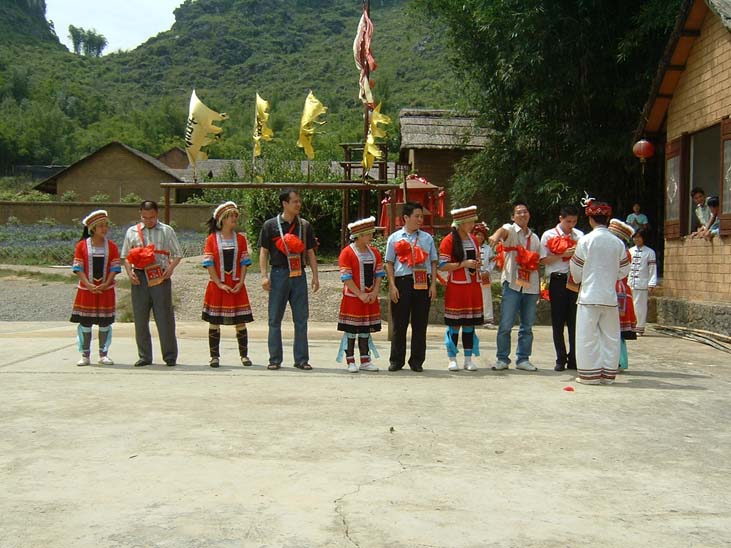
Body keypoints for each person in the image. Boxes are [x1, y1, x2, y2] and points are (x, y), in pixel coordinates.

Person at [569, 198, 631, 385]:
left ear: (590, 219)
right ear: (608, 218)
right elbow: (624, 270)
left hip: (589, 296)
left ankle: (590, 375)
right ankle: (608, 374)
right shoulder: (617, 243)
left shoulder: (585, 241)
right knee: (610, 336)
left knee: (587, 336)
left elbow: (576, 272)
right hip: (609, 297)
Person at [258, 189, 319, 370]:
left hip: (299, 274)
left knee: (301, 319)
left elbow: (310, 252)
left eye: (299, 201)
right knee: (274, 319)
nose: (298, 204)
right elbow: (264, 252)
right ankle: (274, 359)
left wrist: (315, 276)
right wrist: (264, 276)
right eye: (295, 201)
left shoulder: (304, 226)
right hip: (279, 274)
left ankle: (301, 359)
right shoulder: (270, 225)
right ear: (285, 203)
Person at [122, 200, 183, 367]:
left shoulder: (166, 230)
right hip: (139, 276)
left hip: (159, 275)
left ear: (157, 215)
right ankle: (144, 356)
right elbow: (125, 256)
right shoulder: (132, 231)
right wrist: (129, 272)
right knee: (140, 317)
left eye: (152, 217)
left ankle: (169, 356)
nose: (148, 221)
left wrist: (170, 268)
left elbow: (178, 254)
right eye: (145, 217)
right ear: (140, 214)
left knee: (164, 317)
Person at [384, 201, 438, 372]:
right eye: (417, 216)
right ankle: (396, 360)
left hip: (423, 282)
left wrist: (433, 285)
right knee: (399, 324)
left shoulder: (427, 238)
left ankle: (416, 361)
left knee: (420, 324)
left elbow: (434, 262)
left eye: (421, 216)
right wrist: (392, 285)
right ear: (406, 218)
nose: (420, 219)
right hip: (403, 282)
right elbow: (389, 263)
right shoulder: (395, 238)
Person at [488, 201, 541, 371]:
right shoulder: (511, 230)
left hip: (530, 286)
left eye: (525, 211)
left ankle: (523, 359)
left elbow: (538, 263)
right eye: (519, 212)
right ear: (513, 217)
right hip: (512, 284)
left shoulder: (534, 238)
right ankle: (502, 358)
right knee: (506, 324)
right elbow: (502, 231)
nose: (522, 214)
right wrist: (495, 237)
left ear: (529, 215)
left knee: (527, 326)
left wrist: (540, 289)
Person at [201, 201, 254, 368]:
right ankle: (214, 357)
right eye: (231, 216)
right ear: (222, 219)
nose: (234, 219)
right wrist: (219, 283)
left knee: (240, 321)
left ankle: (244, 355)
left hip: (236, 284)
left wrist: (241, 281)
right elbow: (209, 263)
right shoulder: (211, 239)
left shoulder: (240, 239)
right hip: (218, 286)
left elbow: (244, 262)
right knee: (214, 321)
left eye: (235, 216)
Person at [70, 210, 121, 366]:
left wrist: (106, 283)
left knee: (104, 323)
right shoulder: (81, 246)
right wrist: (88, 284)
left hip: (106, 290)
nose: (104, 229)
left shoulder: (112, 246)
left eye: (106, 225)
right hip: (87, 291)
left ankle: (103, 354)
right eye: (101, 226)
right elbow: (78, 268)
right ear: (92, 228)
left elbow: (114, 267)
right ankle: (85, 355)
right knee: (86, 323)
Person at [336, 216, 384, 373]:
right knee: (351, 330)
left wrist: (375, 291)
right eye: (368, 234)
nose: (371, 236)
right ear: (360, 235)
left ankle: (365, 360)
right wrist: (359, 294)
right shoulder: (347, 253)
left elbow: (379, 274)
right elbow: (346, 278)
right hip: (353, 298)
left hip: (369, 298)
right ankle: (350, 360)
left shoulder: (374, 253)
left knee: (365, 329)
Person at [438, 206, 483, 371]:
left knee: (469, 325)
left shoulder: (473, 240)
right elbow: (442, 266)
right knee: (455, 324)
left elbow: (477, 258)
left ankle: (468, 359)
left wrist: (477, 264)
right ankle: (452, 358)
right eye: (469, 222)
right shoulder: (448, 240)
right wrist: (463, 264)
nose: (472, 225)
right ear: (461, 223)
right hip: (457, 288)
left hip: (473, 286)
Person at [539, 205, 584, 371]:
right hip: (557, 279)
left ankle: (574, 358)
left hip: (575, 279)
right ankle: (560, 357)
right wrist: (562, 255)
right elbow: (542, 260)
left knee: (574, 320)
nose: (571, 225)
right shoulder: (549, 235)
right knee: (558, 320)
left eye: (574, 221)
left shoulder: (580, 235)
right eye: (568, 221)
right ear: (560, 219)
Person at [608, 219, 637, 372]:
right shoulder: (624, 252)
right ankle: (619, 361)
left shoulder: (620, 253)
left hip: (616, 290)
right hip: (620, 290)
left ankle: (617, 361)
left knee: (613, 329)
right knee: (615, 330)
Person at [627, 228, 657, 335]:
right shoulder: (630, 251)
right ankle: (630, 326)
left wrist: (651, 283)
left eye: (639, 237)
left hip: (642, 284)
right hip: (630, 283)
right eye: (635, 237)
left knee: (640, 307)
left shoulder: (650, 252)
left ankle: (639, 328)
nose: (637, 239)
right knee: (630, 306)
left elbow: (652, 269)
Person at [472, 222, 496, 328]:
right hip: (473, 276)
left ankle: (488, 319)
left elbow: (493, 260)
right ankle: (474, 318)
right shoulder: (470, 247)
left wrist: (488, 271)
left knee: (486, 297)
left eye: (481, 235)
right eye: (478, 234)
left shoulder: (488, 248)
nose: (479, 237)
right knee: (473, 296)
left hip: (485, 276)